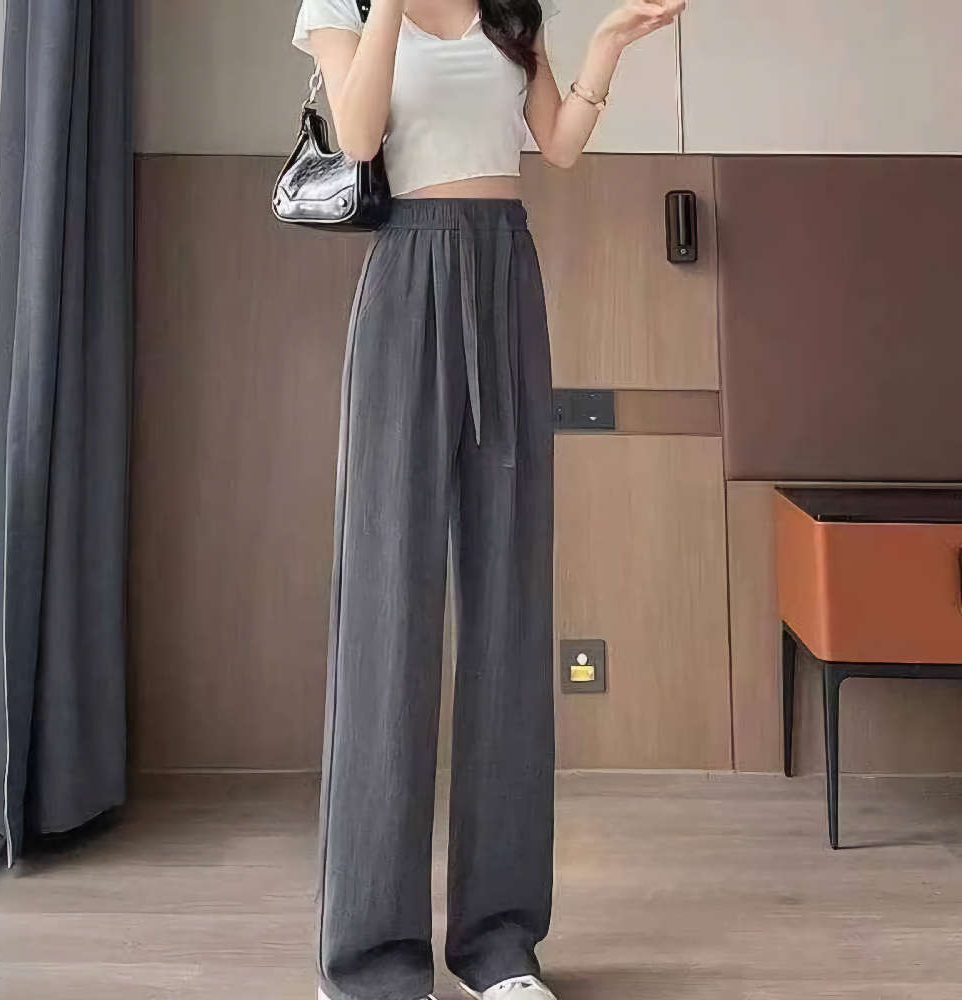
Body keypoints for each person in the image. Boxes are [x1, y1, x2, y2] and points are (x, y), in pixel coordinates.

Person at [290, 3, 686, 999]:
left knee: (510, 604)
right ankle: (371, 960)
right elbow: (360, 135)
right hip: (406, 275)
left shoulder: (510, 9)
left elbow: (557, 145)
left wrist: (606, 47)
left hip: (508, 270)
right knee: (388, 609)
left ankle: (499, 943)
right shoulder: (342, 7)